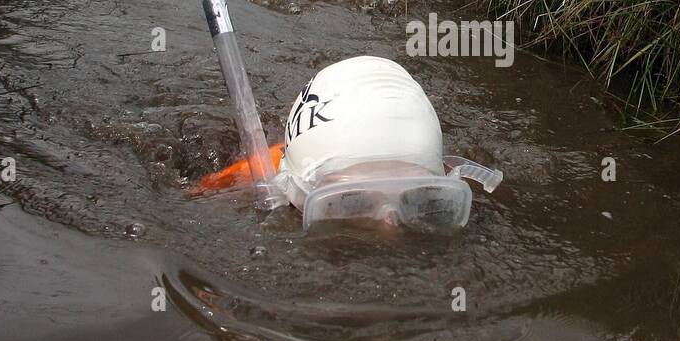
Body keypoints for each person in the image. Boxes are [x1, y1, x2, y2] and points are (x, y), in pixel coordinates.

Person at [196, 56, 501, 230]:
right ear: (290, 194)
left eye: (421, 197)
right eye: (352, 201)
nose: (391, 227)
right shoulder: (239, 193)